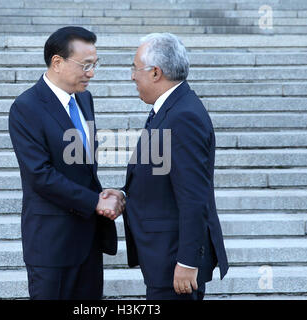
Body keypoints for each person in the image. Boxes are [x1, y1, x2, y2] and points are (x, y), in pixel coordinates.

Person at [103, 33, 229, 300]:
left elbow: (194, 196)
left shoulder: (183, 116)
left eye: (135, 69)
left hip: (174, 261)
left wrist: (187, 261)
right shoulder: (170, 108)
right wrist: (124, 195)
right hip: (163, 257)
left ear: (156, 72)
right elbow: (159, 177)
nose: (132, 76)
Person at [8, 26, 124, 300]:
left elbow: (82, 167)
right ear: (57, 62)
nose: (91, 73)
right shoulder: (26, 107)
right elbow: (40, 175)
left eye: (95, 65)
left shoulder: (84, 99)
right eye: (85, 65)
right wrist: (94, 201)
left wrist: (104, 195)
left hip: (88, 240)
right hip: (52, 244)